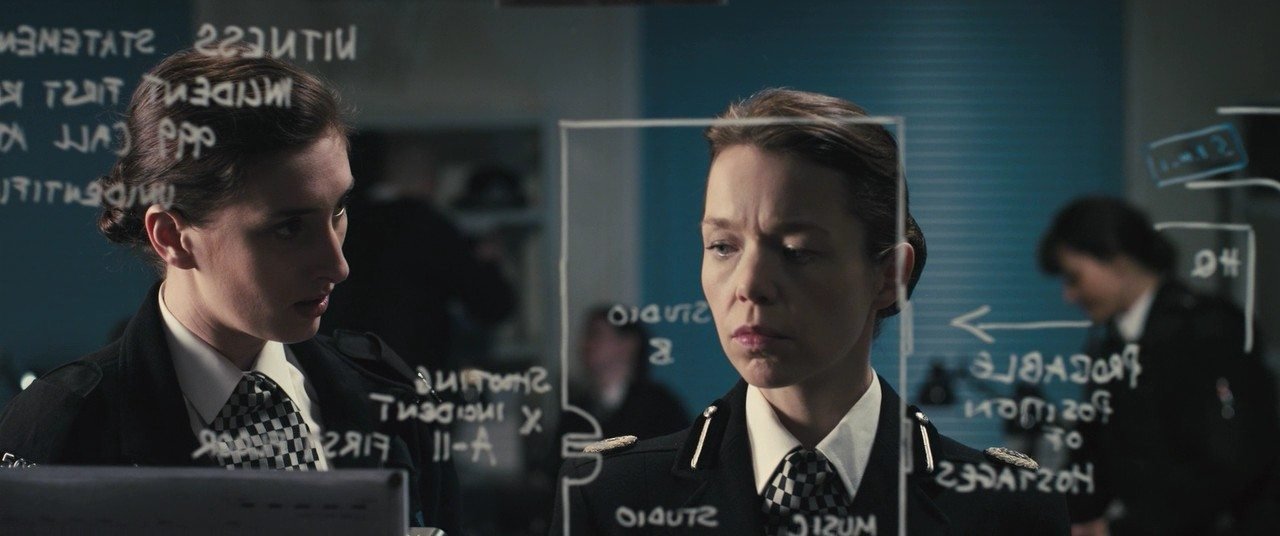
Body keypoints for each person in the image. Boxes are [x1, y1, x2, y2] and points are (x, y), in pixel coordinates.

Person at [552, 89, 1069, 535]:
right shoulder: (608, 498)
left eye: (797, 250)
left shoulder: (1008, 511)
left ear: (888, 276)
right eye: (723, 246)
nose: (749, 286)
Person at [0, 48, 459, 532]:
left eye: (338, 211)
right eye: (289, 228)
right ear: (172, 237)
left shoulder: (388, 394)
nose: (337, 265)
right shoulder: (62, 427)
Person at [1038, 197, 1280, 536]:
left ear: (1117, 261)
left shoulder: (1209, 330)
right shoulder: (1110, 346)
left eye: (1075, 278)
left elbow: (1231, 462)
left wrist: (1121, 529)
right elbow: (1092, 461)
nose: (1069, 295)